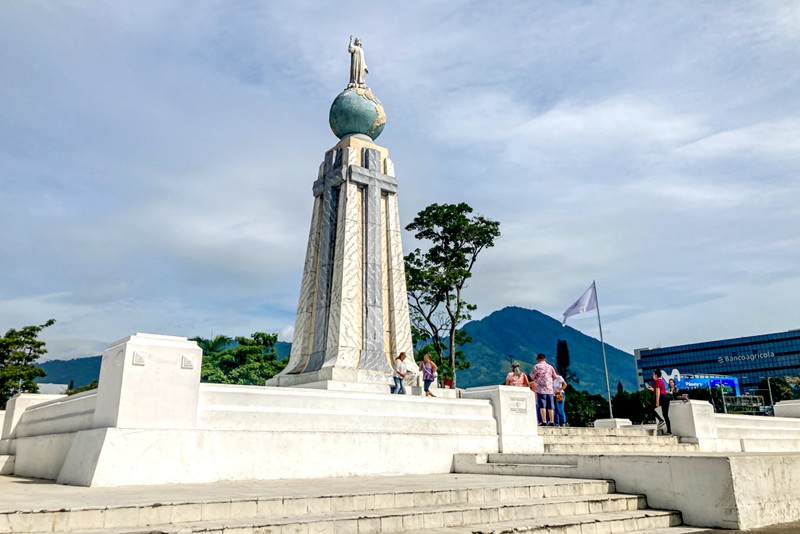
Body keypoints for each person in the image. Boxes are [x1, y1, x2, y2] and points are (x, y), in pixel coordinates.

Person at [530, 353, 558, 426]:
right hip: (550, 389)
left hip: (541, 389)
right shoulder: (550, 367)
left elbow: (532, 376)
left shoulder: (536, 367)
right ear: (545, 359)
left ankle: (544, 421)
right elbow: (555, 376)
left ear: (538, 359)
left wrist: (538, 379)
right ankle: (552, 421)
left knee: (542, 406)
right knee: (551, 406)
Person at [646, 369, 671, 435]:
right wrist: (652, 389)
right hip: (666, 397)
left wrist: (657, 401)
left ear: (656, 375)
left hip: (661, 397)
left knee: (650, 408)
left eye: (653, 374)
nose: (652, 375)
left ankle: (660, 420)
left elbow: (658, 391)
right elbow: (660, 390)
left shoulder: (656, 381)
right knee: (665, 414)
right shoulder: (661, 381)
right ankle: (669, 431)